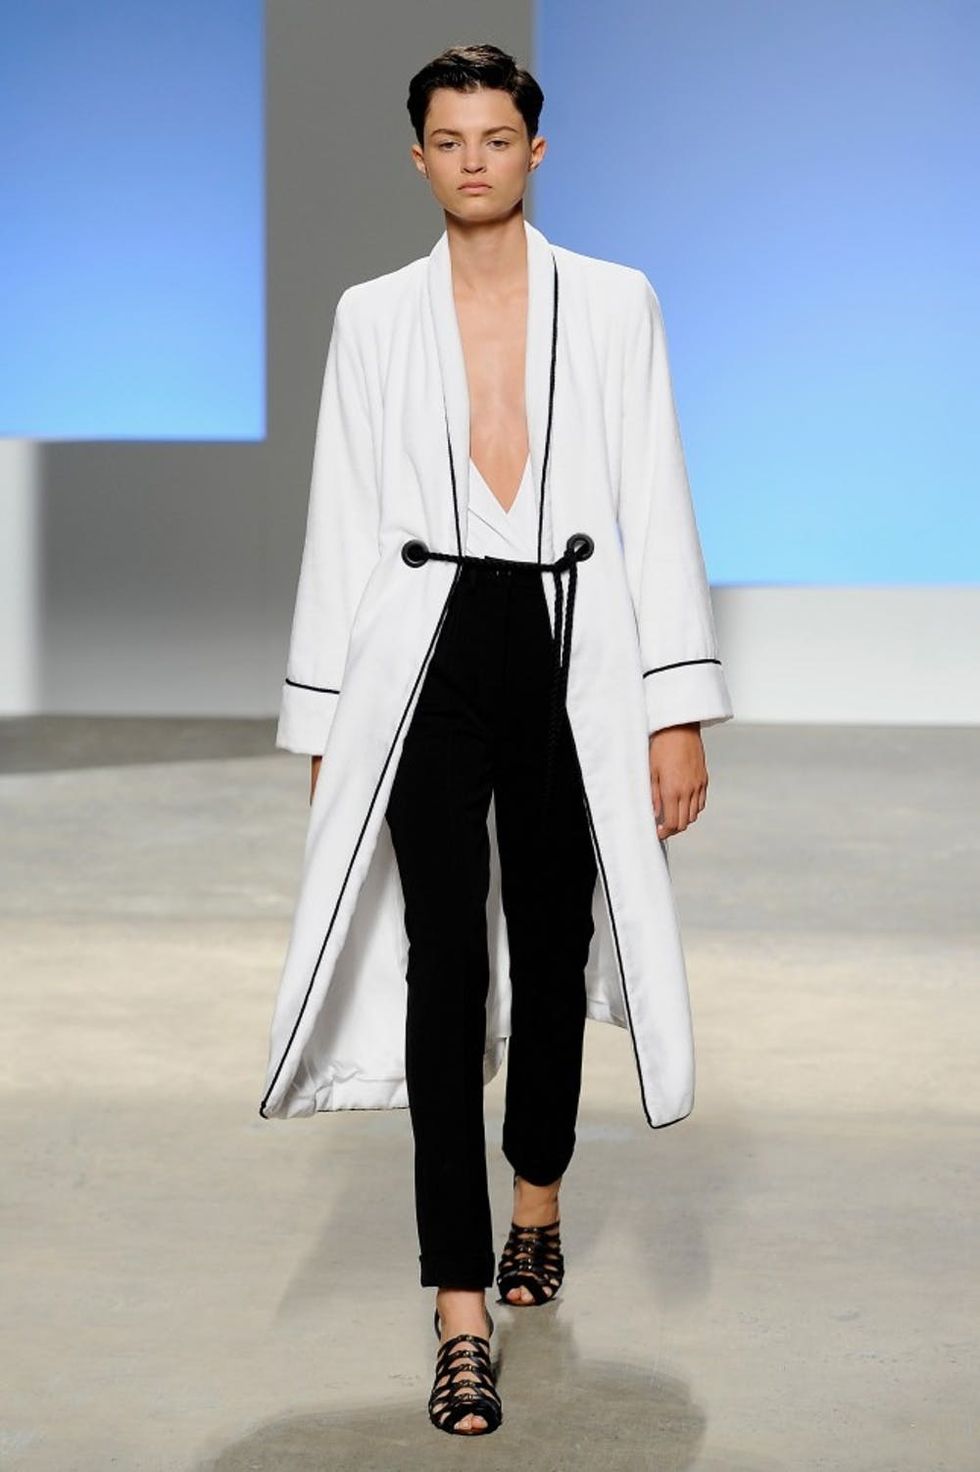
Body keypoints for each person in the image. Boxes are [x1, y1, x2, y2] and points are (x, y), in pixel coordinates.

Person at [261, 41, 734, 1439]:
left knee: (553, 930)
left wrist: (674, 706)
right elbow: (343, 513)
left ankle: (537, 1193)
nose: (475, 160)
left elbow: (655, 490)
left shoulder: (616, 302)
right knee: (441, 964)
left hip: (572, 643)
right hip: (422, 648)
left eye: (497, 137)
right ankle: (459, 1304)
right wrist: (326, 722)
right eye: (451, 140)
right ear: (418, 157)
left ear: (537, 149)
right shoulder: (372, 316)